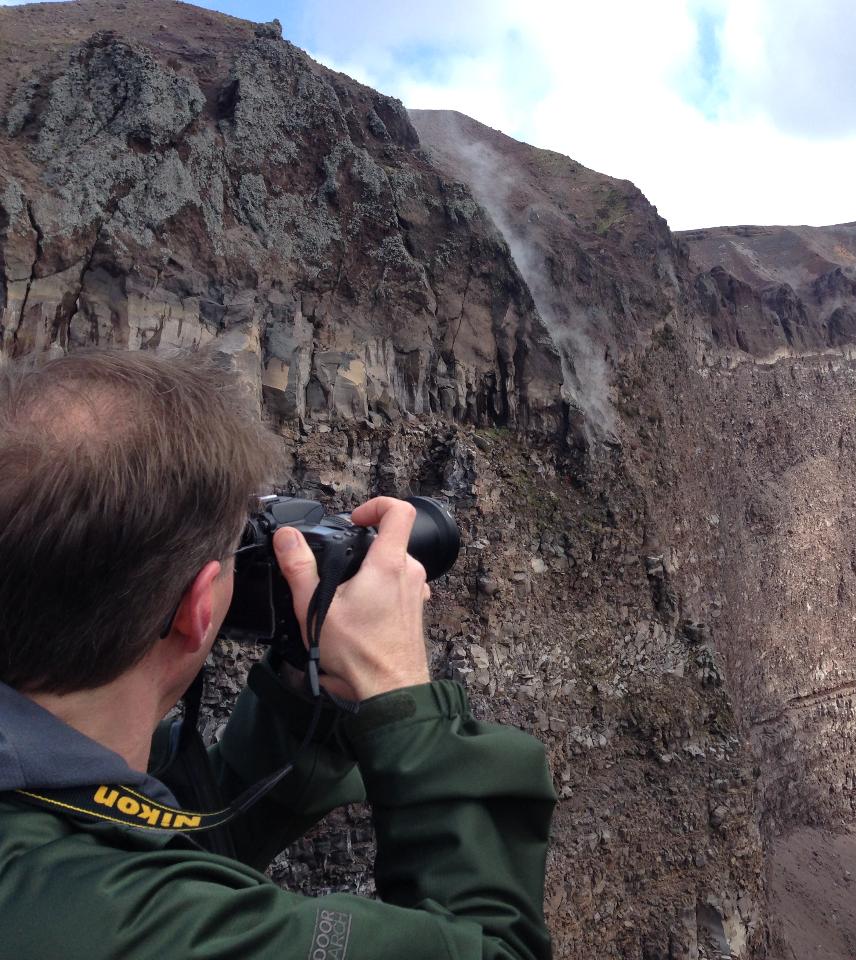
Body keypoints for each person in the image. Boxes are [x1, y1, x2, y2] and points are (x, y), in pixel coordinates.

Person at [0, 348, 555, 959]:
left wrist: (298, 696)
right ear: (197, 607)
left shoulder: (47, 826)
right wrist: (401, 696)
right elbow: (502, 951)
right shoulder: (125, 927)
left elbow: (153, 836)